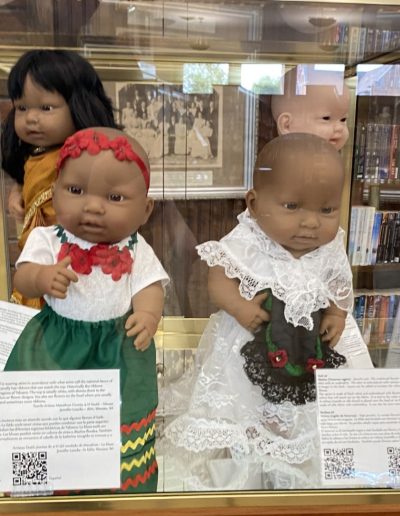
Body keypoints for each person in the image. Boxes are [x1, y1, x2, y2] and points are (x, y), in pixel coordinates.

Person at [163, 133, 356, 491]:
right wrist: (237, 306)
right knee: (242, 411)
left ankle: (293, 475)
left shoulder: (330, 249)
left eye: (326, 209)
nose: (311, 223)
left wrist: (337, 315)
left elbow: (339, 285)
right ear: (253, 203)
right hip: (248, 345)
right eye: (292, 207)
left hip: (306, 346)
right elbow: (218, 279)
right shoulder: (249, 240)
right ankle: (239, 475)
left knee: (303, 418)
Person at [4, 127, 169, 493]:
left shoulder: (135, 248)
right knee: (48, 417)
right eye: (75, 191)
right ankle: (45, 487)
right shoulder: (48, 238)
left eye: (114, 196)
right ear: (54, 191)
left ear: (145, 210)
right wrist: (42, 277)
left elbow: (149, 286)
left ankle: (116, 489)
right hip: (55, 346)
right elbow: (23, 276)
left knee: (119, 418)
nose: (93, 206)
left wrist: (147, 314)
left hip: (117, 349)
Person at [1, 49, 118, 308]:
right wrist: (20, 189)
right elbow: (36, 183)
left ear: (79, 106)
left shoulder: (85, 159)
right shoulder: (38, 155)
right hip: (39, 264)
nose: (31, 118)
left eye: (46, 107)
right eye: (21, 108)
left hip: (73, 265)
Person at [270, 66, 350, 151]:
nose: (339, 128)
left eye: (343, 119)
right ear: (287, 125)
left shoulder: (332, 161)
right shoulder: (288, 161)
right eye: (326, 118)